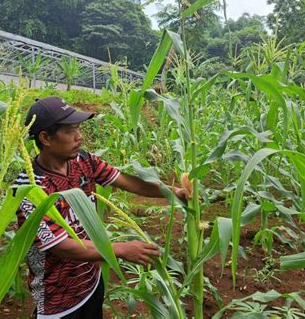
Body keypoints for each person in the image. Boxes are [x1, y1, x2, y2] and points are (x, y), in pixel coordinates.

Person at [14, 96, 188, 319]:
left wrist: (175, 193)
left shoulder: (84, 161)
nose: (80, 137)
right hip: (57, 302)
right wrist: (121, 250)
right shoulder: (29, 188)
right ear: (46, 138)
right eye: (70, 131)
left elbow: (131, 183)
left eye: (79, 128)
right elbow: (60, 246)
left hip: (92, 284)